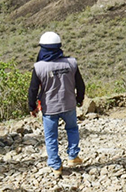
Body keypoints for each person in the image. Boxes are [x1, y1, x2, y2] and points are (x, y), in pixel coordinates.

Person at [28, 32, 86, 176]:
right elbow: (80, 84)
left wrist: (32, 107)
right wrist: (79, 99)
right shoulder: (71, 63)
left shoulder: (39, 67)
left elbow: (33, 90)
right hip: (69, 104)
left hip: (49, 107)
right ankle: (73, 156)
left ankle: (55, 166)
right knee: (72, 129)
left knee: (51, 136)